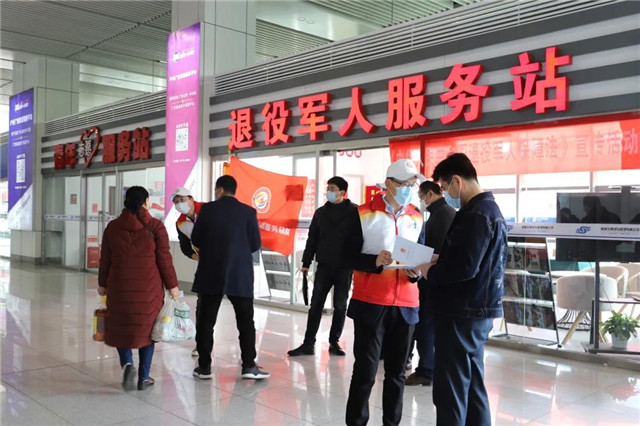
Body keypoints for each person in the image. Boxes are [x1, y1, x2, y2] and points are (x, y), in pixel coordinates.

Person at [413, 153, 508, 426]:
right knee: (473, 383)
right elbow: (473, 259)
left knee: (450, 389)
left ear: (457, 181)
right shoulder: (489, 210)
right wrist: (439, 258)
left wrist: (429, 270)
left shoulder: (476, 214)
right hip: (477, 310)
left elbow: (464, 268)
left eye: (445, 188)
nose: (447, 195)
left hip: (461, 311)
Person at [345, 159, 424, 426]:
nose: (409, 189)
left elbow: (421, 255)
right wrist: (373, 261)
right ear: (388, 184)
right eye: (404, 184)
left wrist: (417, 273)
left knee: (397, 374)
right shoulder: (362, 214)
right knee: (365, 372)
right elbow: (345, 255)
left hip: (406, 304)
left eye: (412, 184)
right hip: (371, 302)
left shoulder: (416, 216)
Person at [98, 186, 180, 391]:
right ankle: (143, 377)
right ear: (145, 202)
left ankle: (127, 364)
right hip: (149, 290)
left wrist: (102, 284)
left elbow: (105, 259)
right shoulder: (156, 227)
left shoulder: (112, 227)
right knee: (147, 331)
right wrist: (173, 286)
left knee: (121, 327)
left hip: (119, 287)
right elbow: (164, 260)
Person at [190, 175, 270, 380]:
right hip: (239, 273)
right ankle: (249, 365)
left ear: (219, 190)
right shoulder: (248, 212)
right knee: (245, 321)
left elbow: (196, 238)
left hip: (210, 272)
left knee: (206, 321)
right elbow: (255, 243)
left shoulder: (207, 210)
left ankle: (204, 367)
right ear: (234, 190)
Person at [288, 176, 360, 357]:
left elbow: (360, 239)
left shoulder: (354, 212)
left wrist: (358, 262)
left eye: (332, 188)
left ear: (342, 192)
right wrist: (306, 263)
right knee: (316, 305)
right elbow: (312, 238)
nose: (329, 191)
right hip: (324, 266)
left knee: (340, 306)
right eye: (328, 188)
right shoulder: (321, 212)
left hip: (344, 267)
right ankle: (308, 343)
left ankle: (334, 341)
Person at [405, 180, 455, 386]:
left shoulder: (442, 215)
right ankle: (429, 367)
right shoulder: (443, 213)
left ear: (430, 194)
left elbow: (438, 250)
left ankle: (426, 370)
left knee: (426, 325)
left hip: (433, 280)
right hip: (434, 278)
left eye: (421, 196)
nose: (421, 201)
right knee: (429, 326)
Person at [171, 186, 203, 357]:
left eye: (182, 200)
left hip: (225, 261)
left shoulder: (207, 210)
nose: (179, 204)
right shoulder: (180, 223)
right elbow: (184, 246)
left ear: (191, 198)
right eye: (176, 202)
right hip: (205, 265)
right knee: (202, 307)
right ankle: (201, 345)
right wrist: (196, 257)